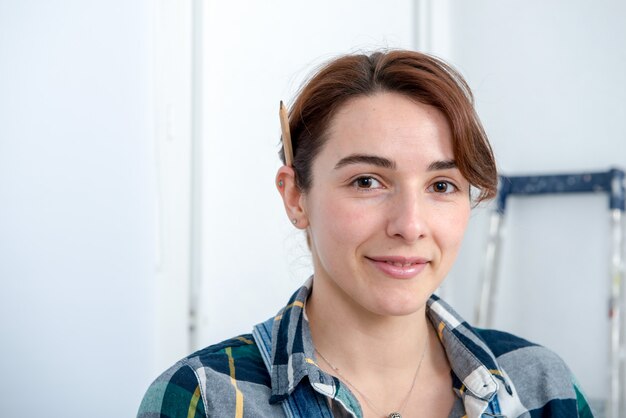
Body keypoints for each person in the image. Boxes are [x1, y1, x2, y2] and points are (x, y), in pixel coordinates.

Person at [137, 50, 593, 418]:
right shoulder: (205, 398)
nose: (410, 225)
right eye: (366, 182)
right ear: (296, 197)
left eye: (441, 185)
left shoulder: (540, 387)